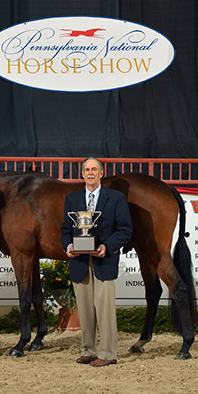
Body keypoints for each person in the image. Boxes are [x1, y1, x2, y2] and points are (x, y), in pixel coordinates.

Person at [61, 157, 132, 367]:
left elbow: (125, 229)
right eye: (87, 170)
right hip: (79, 261)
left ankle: (108, 353)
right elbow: (66, 230)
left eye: (94, 169)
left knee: (105, 310)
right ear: (82, 173)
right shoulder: (72, 199)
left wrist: (106, 246)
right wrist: (69, 246)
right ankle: (88, 350)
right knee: (84, 309)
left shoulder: (116, 198)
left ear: (101, 173)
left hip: (104, 260)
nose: (90, 173)